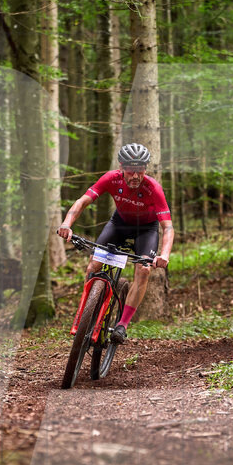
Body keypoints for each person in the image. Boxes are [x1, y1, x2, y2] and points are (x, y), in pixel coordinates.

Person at [56, 143, 174, 344]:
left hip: (146, 229)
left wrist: (164, 255)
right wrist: (67, 224)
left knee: (144, 270)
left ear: (145, 169)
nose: (135, 176)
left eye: (140, 170)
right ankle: (86, 313)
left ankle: (122, 325)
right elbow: (83, 201)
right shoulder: (111, 178)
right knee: (93, 265)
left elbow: (168, 227)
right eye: (130, 170)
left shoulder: (153, 188)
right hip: (119, 224)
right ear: (121, 167)